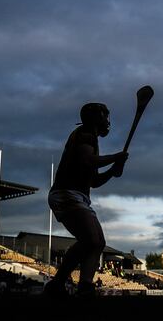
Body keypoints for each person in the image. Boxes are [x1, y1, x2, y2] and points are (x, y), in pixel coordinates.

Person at [42, 102, 128, 299]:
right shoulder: (85, 134)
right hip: (66, 194)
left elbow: (94, 181)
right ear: (94, 118)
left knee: (97, 242)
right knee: (91, 239)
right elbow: (88, 161)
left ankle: (79, 285)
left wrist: (112, 171)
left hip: (76, 196)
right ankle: (73, 285)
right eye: (104, 116)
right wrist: (116, 157)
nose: (107, 121)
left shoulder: (91, 141)